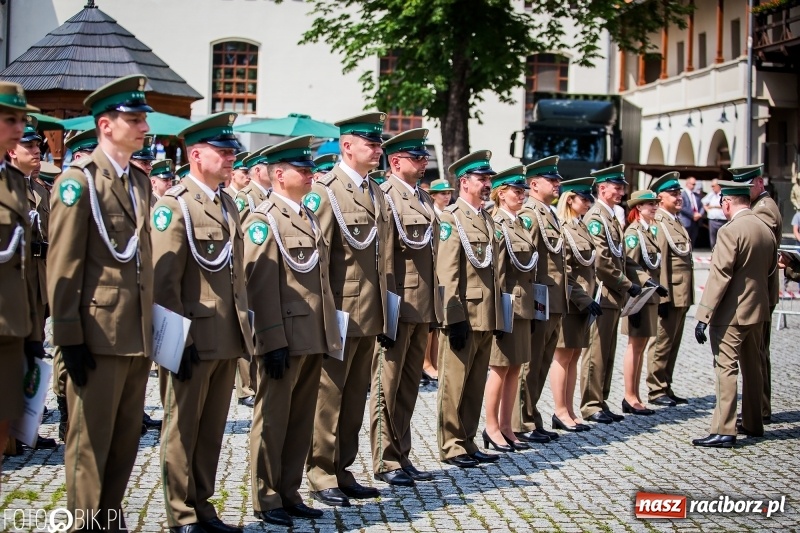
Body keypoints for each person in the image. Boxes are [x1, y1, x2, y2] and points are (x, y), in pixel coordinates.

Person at [47, 75, 154, 531]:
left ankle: (109, 519)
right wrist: (69, 338)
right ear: (106, 125)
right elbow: (63, 265)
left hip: (135, 335)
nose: (144, 127)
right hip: (98, 335)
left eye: (143, 119)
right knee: (89, 443)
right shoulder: (79, 183)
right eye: (135, 119)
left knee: (125, 440)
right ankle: (84, 524)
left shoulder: (139, 183)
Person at [152, 112, 254, 533]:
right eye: (223, 151)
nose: (231, 158)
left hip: (226, 334)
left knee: (211, 430)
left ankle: (202, 504)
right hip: (192, 337)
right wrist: (176, 343)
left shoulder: (226, 203)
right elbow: (163, 281)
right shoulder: (174, 205)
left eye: (232, 151)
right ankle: (181, 513)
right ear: (196, 155)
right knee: (182, 428)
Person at [243, 136, 340, 527]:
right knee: (272, 419)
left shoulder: (307, 216)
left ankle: (289, 490)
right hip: (283, 337)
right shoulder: (263, 220)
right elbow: (259, 284)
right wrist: (270, 339)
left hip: (311, 335)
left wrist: (328, 332)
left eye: (310, 168)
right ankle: (266, 497)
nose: (310, 174)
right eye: (303, 169)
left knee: (300, 420)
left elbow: (320, 282)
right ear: (279, 175)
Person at [304, 112, 393, 507]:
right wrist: (322, 318)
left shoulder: (375, 191)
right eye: (371, 144)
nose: (378, 150)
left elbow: (382, 259)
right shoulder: (325, 192)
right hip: (339, 313)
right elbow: (317, 263)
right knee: (329, 397)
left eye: (379, 144)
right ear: (347, 146)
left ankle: (342, 468)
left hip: (369, 313)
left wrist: (386, 313)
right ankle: (321, 472)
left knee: (355, 397)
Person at [370, 128, 441, 486]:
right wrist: (386, 311)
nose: (424, 161)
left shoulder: (423, 198)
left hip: (422, 305)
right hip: (399, 305)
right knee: (388, 385)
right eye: (417, 157)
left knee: (409, 386)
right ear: (396, 162)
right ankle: (385, 459)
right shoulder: (385, 196)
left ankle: (401, 454)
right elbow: (383, 258)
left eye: (425, 156)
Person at [693, 180, 776, 448]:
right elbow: (771, 271)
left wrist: (703, 315)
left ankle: (724, 429)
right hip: (758, 310)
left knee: (725, 368)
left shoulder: (730, 231)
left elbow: (720, 275)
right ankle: (753, 422)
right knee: (753, 368)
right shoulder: (765, 228)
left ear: (727, 202)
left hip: (731, 313)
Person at [436, 150, 502, 469]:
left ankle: (468, 439)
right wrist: (454, 317)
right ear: (464, 182)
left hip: (486, 313)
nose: (488, 184)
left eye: (489, 178)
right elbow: (447, 272)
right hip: (464, 314)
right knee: (455, 383)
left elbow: (493, 272)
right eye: (482, 178)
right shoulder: (452, 218)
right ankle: (451, 444)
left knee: (475, 383)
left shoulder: (486, 218)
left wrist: (498, 315)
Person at [0, 81, 45, 477]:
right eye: (10, 119)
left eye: (21, 120)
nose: (20, 128)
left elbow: (23, 264)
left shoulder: (14, 182)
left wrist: (32, 333)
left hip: (11, 327)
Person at [6, 115, 58, 451]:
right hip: (14, 283)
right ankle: (9, 438)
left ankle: (26, 429)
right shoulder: (6, 187)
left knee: (33, 354)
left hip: (37, 283)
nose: (37, 150)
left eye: (38, 145)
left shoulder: (40, 189)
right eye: (29, 145)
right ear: (12, 150)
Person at [580, 164, 642, 424]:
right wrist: (627, 284)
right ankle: (591, 404)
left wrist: (640, 281)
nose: (621, 192)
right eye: (617, 187)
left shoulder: (610, 216)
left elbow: (621, 257)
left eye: (622, 188)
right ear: (602, 188)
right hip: (602, 293)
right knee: (595, 352)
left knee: (607, 351)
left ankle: (601, 399)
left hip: (612, 294)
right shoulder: (596, 218)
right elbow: (602, 262)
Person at [513, 157, 566, 444]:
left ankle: (532, 416)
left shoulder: (548, 213)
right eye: (552, 180)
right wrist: (532, 304)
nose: (557, 184)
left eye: (557, 180)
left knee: (542, 363)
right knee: (530, 365)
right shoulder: (530, 215)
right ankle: (521, 421)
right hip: (540, 300)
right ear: (534, 184)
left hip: (554, 299)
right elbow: (527, 264)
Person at [483, 166, 535, 452]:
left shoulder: (519, 223)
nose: (521, 195)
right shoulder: (498, 223)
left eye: (523, 191)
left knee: (515, 367)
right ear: (501, 194)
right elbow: (498, 274)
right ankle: (491, 427)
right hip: (508, 306)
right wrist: (499, 314)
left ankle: (506, 426)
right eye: (516, 191)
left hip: (523, 305)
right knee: (500, 368)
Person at [728, 164, 782, 425]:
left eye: (748, 185)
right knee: (757, 352)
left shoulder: (764, 209)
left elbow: (757, 247)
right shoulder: (759, 206)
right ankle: (758, 408)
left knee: (756, 354)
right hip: (758, 290)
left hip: (758, 290)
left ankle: (759, 409)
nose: (743, 191)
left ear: (759, 183)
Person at [551, 177, 600, 432]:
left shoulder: (581, 227)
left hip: (585, 301)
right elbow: (564, 271)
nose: (588, 203)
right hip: (571, 301)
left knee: (574, 355)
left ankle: (569, 409)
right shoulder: (563, 228)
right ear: (570, 199)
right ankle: (560, 410)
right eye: (584, 198)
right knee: (563, 356)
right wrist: (583, 298)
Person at [646, 172, 694, 407]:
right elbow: (660, 263)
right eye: (673, 194)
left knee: (673, 343)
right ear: (660, 197)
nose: (678, 197)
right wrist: (662, 297)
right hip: (670, 294)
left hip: (682, 293)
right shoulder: (660, 223)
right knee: (662, 343)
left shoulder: (675, 221)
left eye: (679, 193)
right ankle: (656, 389)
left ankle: (666, 384)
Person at [621, 190, 668, 416]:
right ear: (638, 207)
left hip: (649, 297)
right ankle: (630, 396)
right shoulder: (634, 233)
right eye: (650, 204)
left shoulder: (649, 231)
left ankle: (635, 395)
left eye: (656, 203)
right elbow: (630, 267)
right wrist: (634, 302)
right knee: (635, 346)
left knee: (641, 347)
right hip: (638, 298)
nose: (655, 207)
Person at [423, 177, 454, 382]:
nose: (447, 196)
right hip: (432, 269)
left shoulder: (448, 214)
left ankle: (434, 361)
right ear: (433, 195)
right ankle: (426, 362)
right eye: (443, 193)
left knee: (437, 322)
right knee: (430, 323)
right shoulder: (430, 214)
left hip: (443, 269)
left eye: (449, 193)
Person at [235, 148, 271, 220]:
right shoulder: (245, 196)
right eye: (270, 167)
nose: (273, 171)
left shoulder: (270, 194)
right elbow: (242, 226)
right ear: (258, 171)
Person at [678, 176, 704, 246]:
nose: (694, 186)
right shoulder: (682, 195)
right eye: (692, 184)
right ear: (687, 183)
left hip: (696, 222)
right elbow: (682, 207)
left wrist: (700, 214)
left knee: (692, 241)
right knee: (685, 241)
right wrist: (693, 215)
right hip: (686, 221)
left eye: (695, 184)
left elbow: (702, 206)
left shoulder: (697, 195)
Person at [701, 179, 725, 248]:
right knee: (713, 240)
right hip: (712, 220)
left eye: (713, 186)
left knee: (722, 239)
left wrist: (713, 206)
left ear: (718, 186)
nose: (712, 188)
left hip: (722, 220)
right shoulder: (711, 194)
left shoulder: (723, 194)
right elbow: (703, 202)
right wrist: (708, 210)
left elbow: (724, 205)